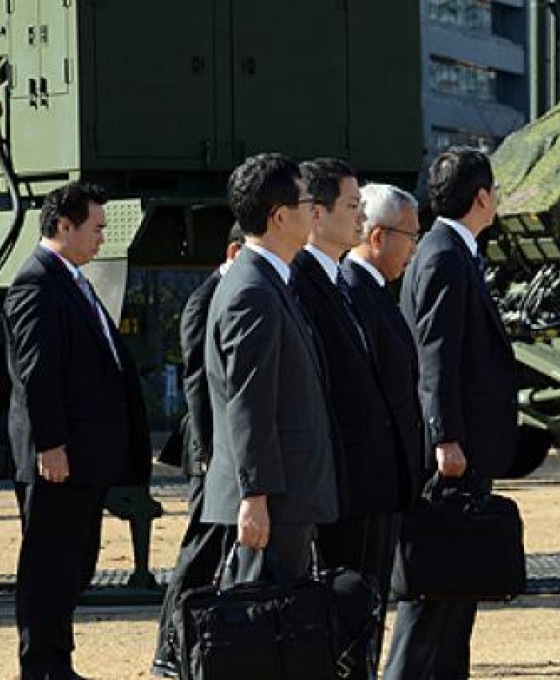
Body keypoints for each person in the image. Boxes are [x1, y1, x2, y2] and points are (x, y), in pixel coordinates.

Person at [4, 181, 152, 680]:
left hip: (84, 458)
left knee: (74, 564)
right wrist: (51, 443)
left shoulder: (71, 279)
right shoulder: (37, 283)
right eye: (96, 228)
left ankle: (57, 661)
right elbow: (37, 372)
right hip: (58, 460)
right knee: (50, 568)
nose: (102, 239)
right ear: (64, 226)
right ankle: (42, 667)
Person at [387, 147, 517, 680]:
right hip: (452, 452)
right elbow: (434, 353)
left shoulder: (450, 250)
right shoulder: (444, 254)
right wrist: (446, 437)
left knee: (457, 582)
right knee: (436, 584)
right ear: (482, 196)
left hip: (462, 443)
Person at [290, 162, 419, 676]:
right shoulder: (307, 281)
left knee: (364, 610)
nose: (359, 216)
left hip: (371, 477)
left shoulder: (338, 282)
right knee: (343, 610)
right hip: (344, 478)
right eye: (351, 206)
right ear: (315, 215)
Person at [201, 153, 338, 580]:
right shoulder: (253, 290)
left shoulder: (267, 279)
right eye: (304, 203)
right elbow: (250, 402)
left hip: (285, 495)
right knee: (261, 625)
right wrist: (255, 495)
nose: (314, 212)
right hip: (274, 501)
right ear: (279, 217)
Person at [339, 183, 426, 668]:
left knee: (372, 599)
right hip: (365, 476)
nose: (414, 247)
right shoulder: (352, 290)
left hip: (385, 477)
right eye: (410, 235)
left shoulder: (374, 291)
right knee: (357, 600)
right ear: (377, 236)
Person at [151, 224, 244, 677]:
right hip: (211, 450)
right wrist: (208, 449)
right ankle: (169, 643)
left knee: (220, 549)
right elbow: (196, 381)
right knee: (200, 551)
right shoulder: (204, 299)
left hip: (227, 448)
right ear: (234, 250)